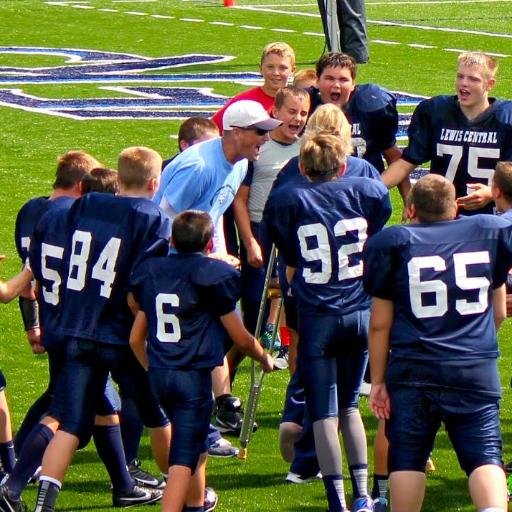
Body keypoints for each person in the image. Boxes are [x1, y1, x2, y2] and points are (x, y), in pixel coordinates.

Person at [29, 147, 173, 512]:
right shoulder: (151, 216)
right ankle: (183, 491)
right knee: (156, 413)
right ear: (154, 183)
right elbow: (144, 284)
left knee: (71, 423)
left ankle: (44, 505)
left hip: (78, 325)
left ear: (119, 178)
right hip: (120, 333)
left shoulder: (83, 205)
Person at [364, 174, 512, 512]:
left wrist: (377, 381)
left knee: (408, 459)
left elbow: (380, 324)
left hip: (414, 367)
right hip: (473, 367)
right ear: (456, 208)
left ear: (412, 209)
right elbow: (499, 310)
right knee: (485, 456)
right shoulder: (490, 232)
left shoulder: (392, 243)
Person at [264, 132, 391, 512]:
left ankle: (336, 500)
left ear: (302, 167)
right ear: (341, 165)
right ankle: (363, 496)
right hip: (359, 310)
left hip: (318, 315)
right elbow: (377, 226)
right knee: (350, 405)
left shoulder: (288, 198)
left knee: (324, 412)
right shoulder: (367, 190)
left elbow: (287, 253)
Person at [129, 210, 273, 512]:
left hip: (159, 373)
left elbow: (135, 338)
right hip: (191, 378)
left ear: (172, 239)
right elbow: (241, 337)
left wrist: (152, 366)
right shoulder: (212, 276)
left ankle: (197, 504)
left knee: (192, 448)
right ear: (209, 245)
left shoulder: (152, 271)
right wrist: (263, 357)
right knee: (183, 457)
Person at [230, 86, 310, 376]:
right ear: (275, 112)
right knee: (252, 309)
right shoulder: (258, 147)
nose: (298, 118)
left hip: (293, 233)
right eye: (291, 111)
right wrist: (249, 241)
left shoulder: (307, 148)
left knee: (296, 304)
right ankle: (225, 378)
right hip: (259, 229)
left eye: (303, 112)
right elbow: (239, 199)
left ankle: (294, 379)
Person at [382, 51, 512, 215]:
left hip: (492, 219)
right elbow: (407, 162)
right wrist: (370, 187)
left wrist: (490, 193)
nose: (463, 83)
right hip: (443, 215)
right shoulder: (436, 111)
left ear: (490, 84)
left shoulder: (506, 118)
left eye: (473, 79)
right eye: (460, 76)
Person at [14, 151, 100, 357]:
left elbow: (26, 274)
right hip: (74, 320)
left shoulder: (28, 210)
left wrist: (32, 325)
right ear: (81, 186)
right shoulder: (71, 216)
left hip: (47, 314)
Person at [307, 53, 402, 185]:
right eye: (329, 78)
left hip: (361, 191)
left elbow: (393, 155)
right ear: (317, 81)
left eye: (343, 80)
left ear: (353, 84)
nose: (336, 85)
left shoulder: (371, 105)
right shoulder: (305, 106)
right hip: (317, 190)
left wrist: (405, 199)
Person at [211, 42, 296, 133]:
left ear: (293, 70)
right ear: (260, 69)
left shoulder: (301, 102)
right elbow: (212, 130)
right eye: (270, 67)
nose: (276, 73)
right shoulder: (243, 102)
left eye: (282, 68)